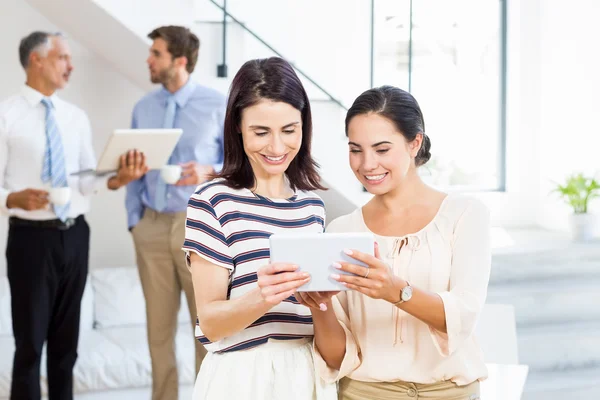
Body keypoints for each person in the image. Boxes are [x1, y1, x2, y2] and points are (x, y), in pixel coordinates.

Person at [297, 85, 490, 400]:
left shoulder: (464, 215)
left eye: (382, 149)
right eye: (355, 149)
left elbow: (464, 314)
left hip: (450, 393)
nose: (367, 164)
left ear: (415, 143)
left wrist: (396, 292)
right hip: (363, 394)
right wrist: (319, 305)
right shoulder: (340, 230)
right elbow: (336, 357)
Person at [0, 31, 146, 400]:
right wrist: (13, 197)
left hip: (76, 235)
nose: (71, 65)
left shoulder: (75, 117)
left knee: (66, 350)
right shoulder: (7, 115)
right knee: (30, 347)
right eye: (63, 57)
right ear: (37, 59)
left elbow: (85, 181)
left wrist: (117, 179)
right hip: (30, 240)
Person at [182, 57, 337, 400]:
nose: (277, 148)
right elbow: (210, 321)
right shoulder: (212, 200)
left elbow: (319, 324)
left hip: (307, 375)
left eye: (289, 130)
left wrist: (322, 304)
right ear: (237, 125)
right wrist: (263, 295)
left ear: (304, 125)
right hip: (240, 378)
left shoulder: (311, 207)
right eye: (261, 132)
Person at [121, 25, 226, 400]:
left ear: (180, 61)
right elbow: (131, 169)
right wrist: (135, 221)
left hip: (198, 227)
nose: (148, 59)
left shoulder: (218, 105)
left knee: (207, 327)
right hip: (150, 226)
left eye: (156, 54)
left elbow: (242, 165)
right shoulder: (143, 107)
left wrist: (208, 171)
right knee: (158, 331)